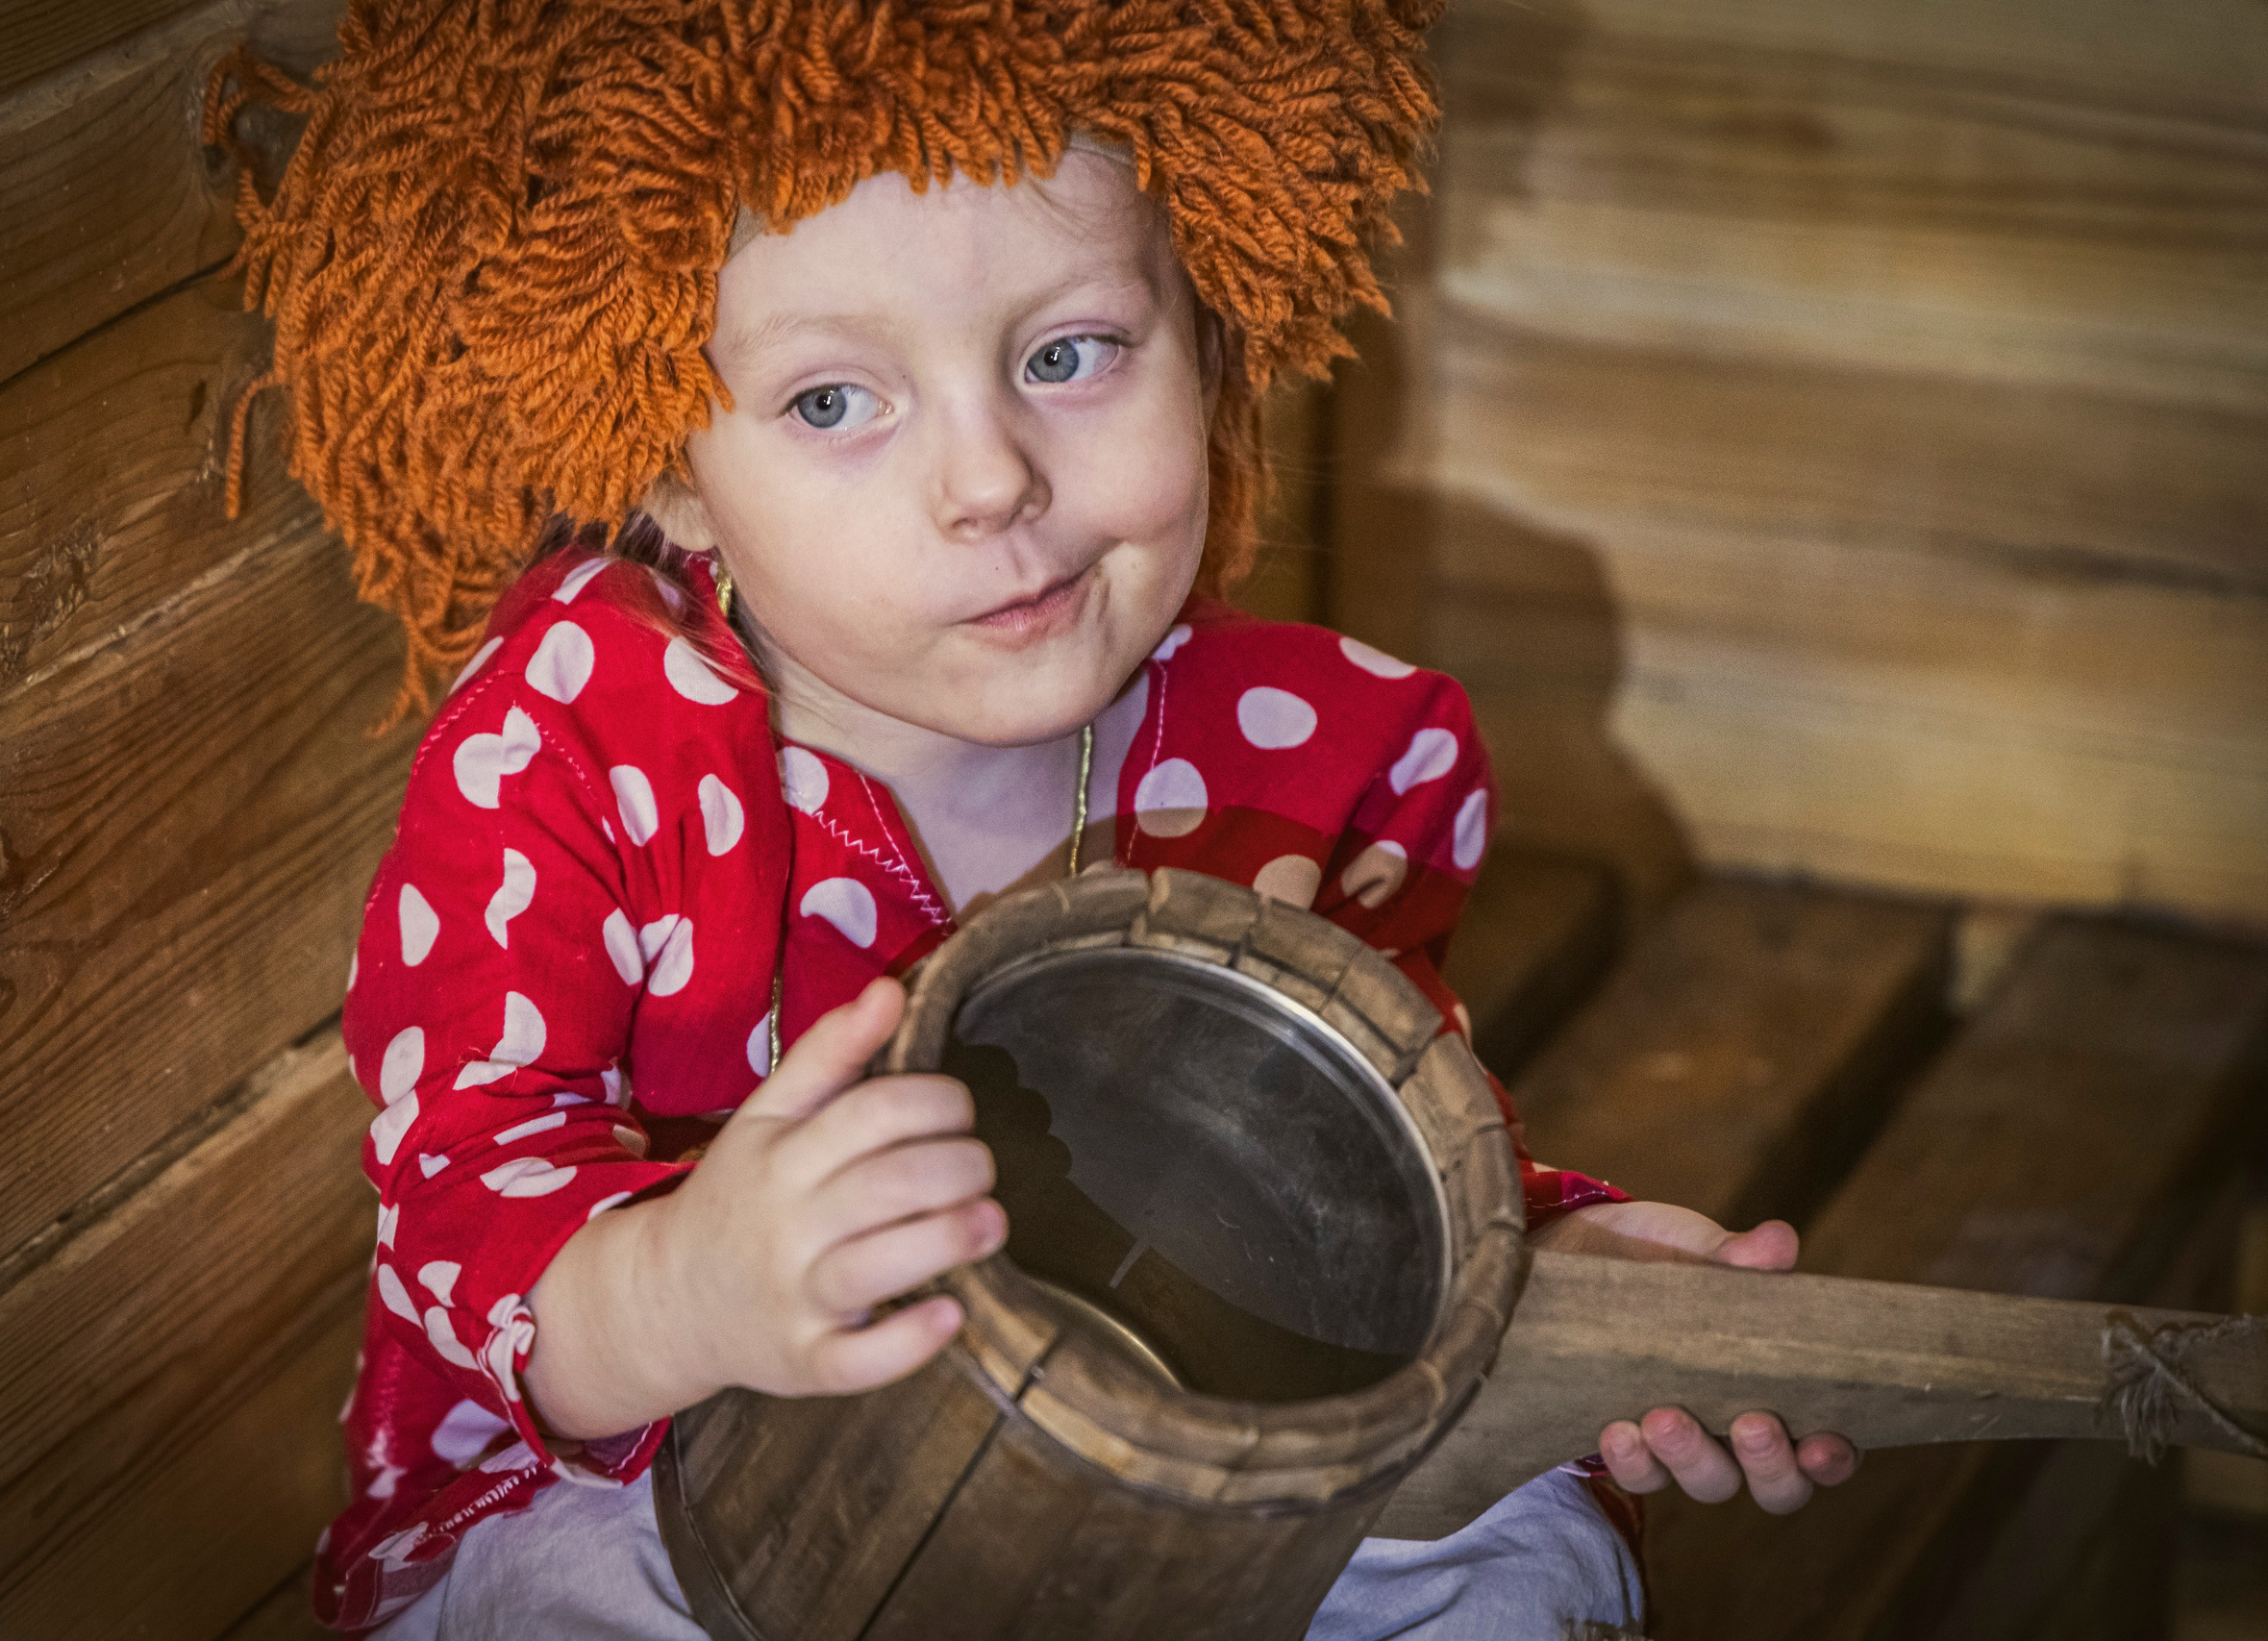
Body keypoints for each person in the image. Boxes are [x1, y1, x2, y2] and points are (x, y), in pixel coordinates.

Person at [209, 5, 1857, 1634]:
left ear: (1207, 338)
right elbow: (463, 1196)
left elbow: (1333, 1166)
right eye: (834, 404)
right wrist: (687, 1284)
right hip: (665, 1466)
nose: (990, 478)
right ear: (670, 469)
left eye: (1069, 355)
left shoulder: (1303, 760)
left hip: (1175, 1425)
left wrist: (1559, 1285)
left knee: (1517, 1545)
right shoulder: (576, 751)